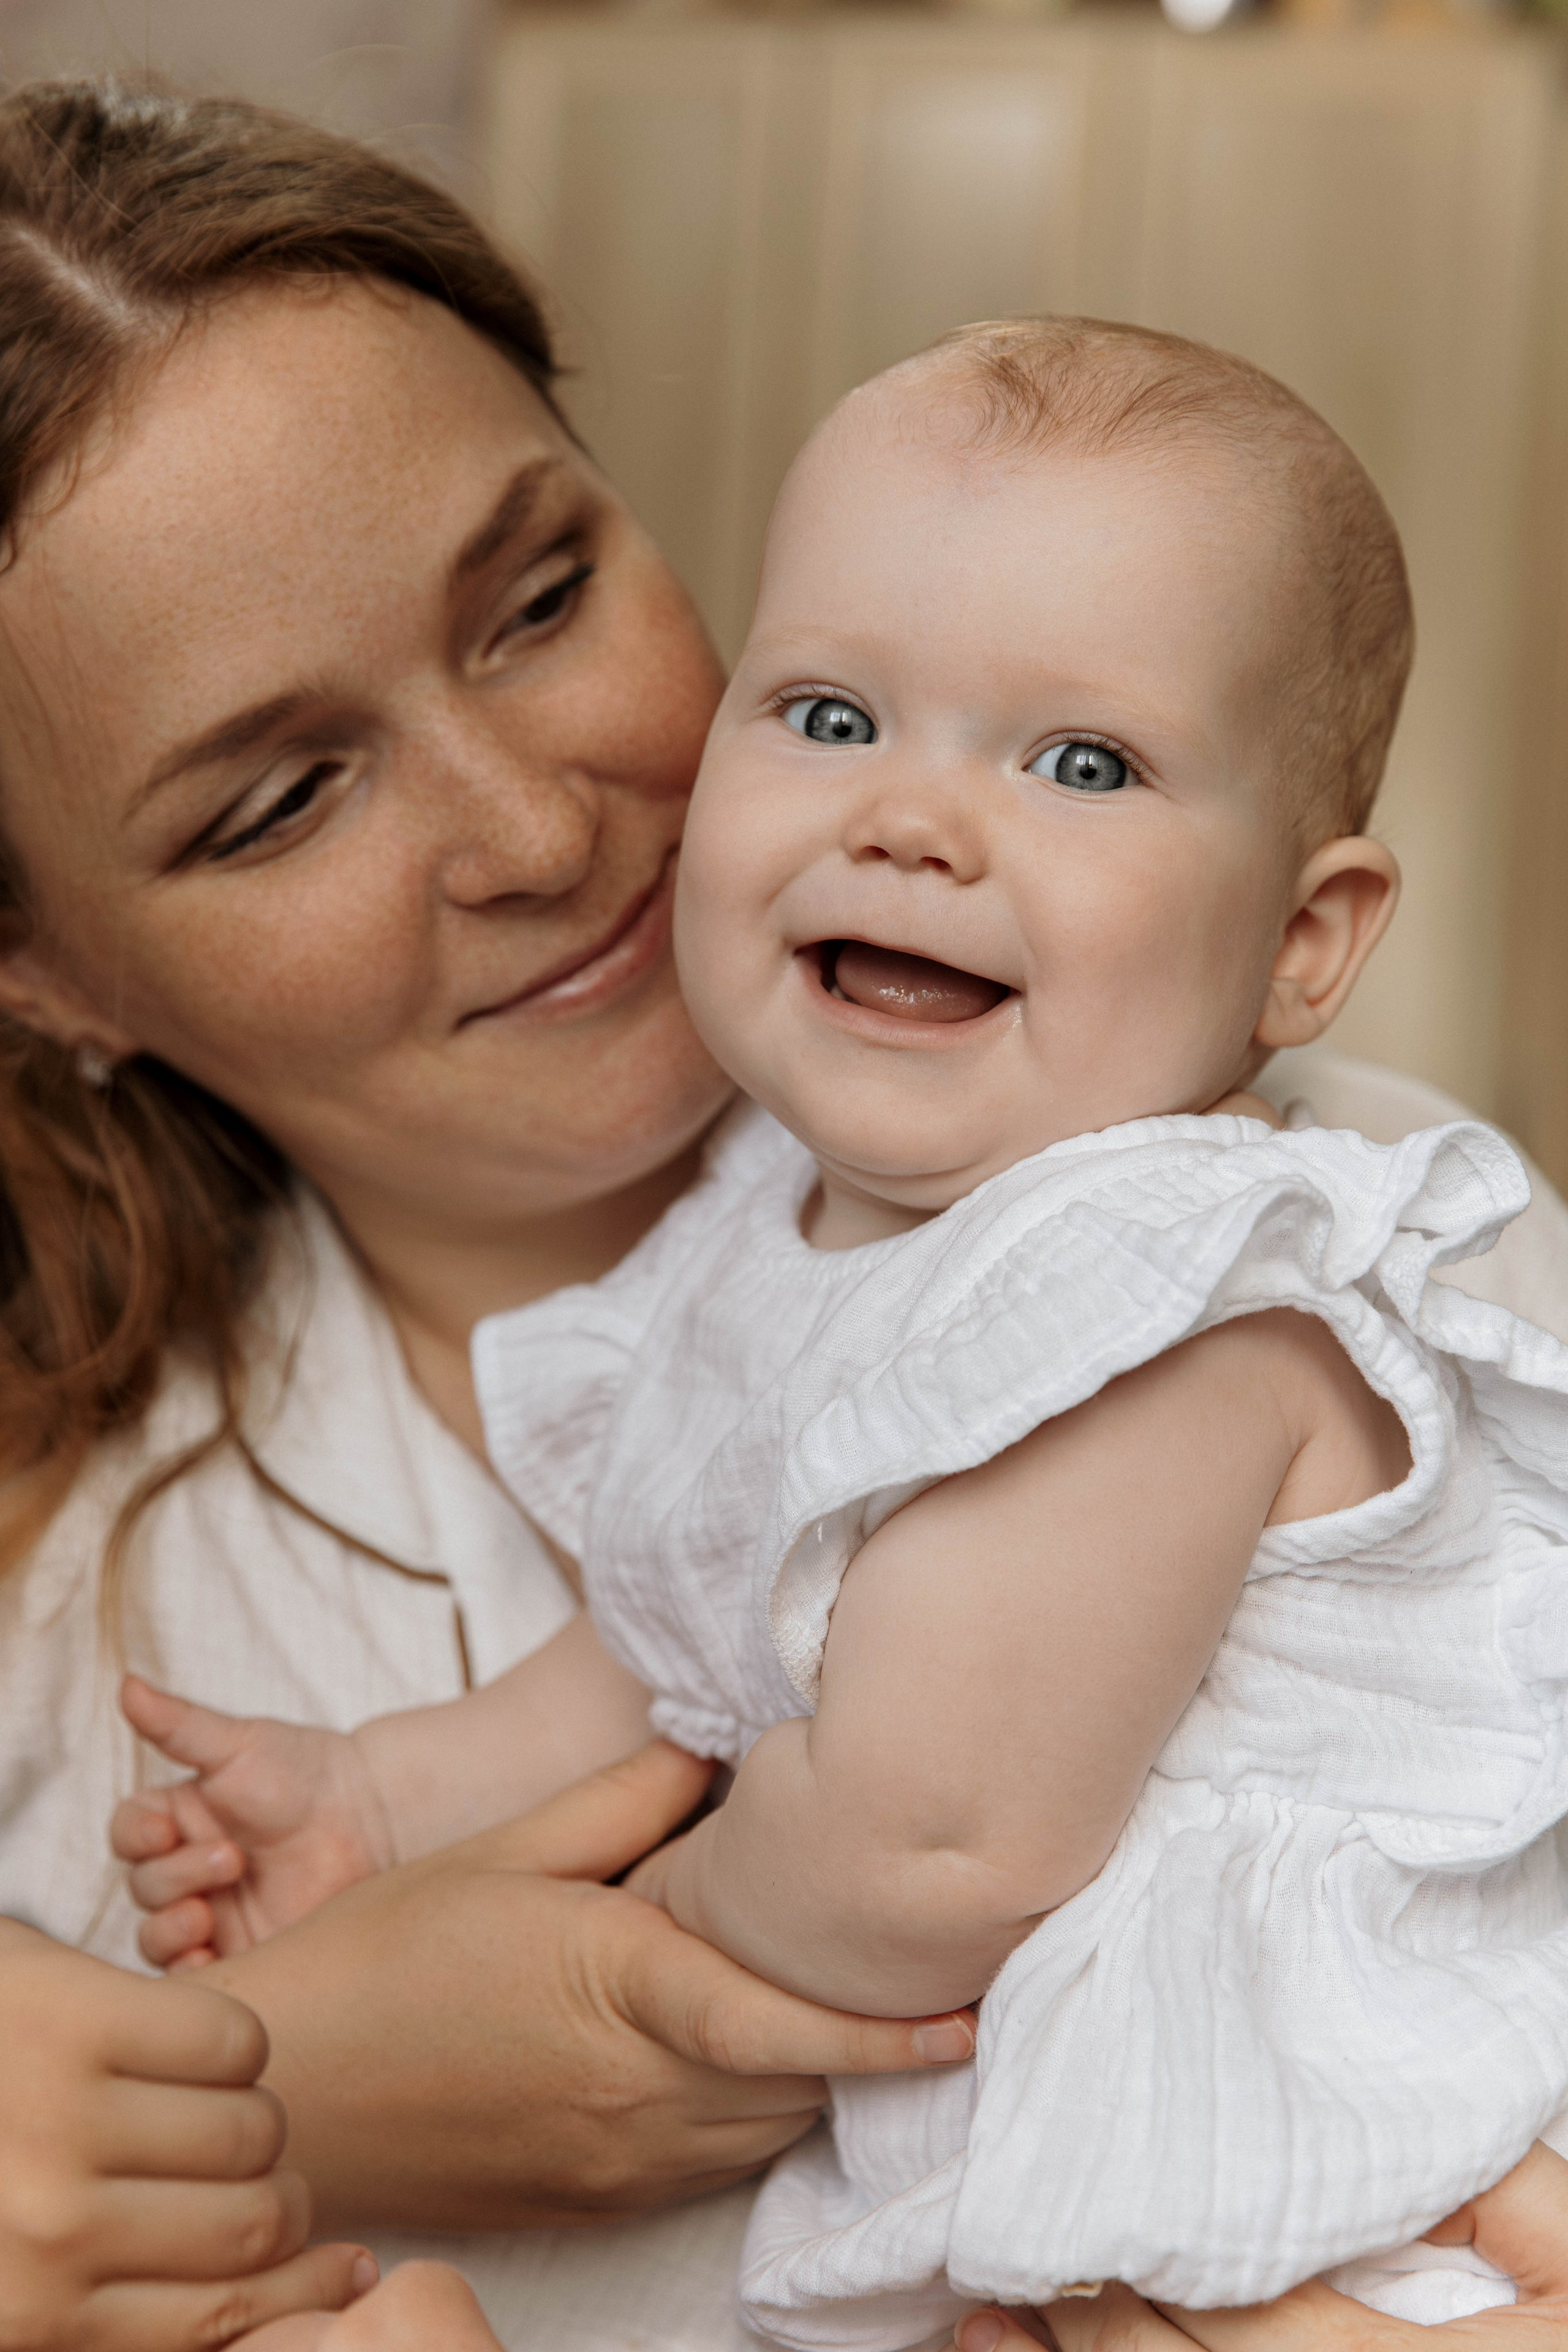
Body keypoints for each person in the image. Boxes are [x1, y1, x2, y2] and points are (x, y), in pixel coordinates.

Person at [0, 70, 1564, 2352]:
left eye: (542, 597)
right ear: (44, 977)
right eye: (278, 799)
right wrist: (311, 2080)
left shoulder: (1339, 1246)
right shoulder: (76, 1640)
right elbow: (676, 1607)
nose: (536, 825)